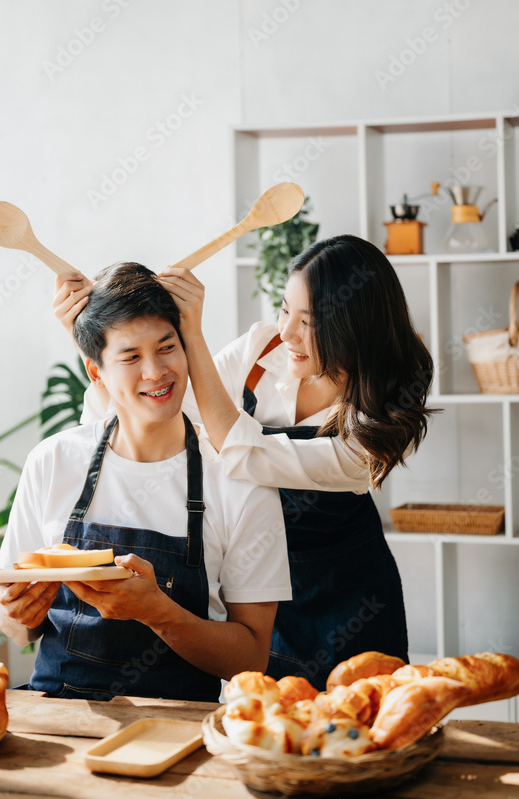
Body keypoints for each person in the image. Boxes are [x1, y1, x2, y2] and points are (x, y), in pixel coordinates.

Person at [53, 235, 434, 690]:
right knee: (266, 732)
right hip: (256, 591)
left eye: (307, 321)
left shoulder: (381, 420)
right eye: (284, 309)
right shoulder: (262, 351)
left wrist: (191, 333)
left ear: (355, 327)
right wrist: (95, 343)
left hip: (347, 596)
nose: (287, 332)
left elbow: (241, 453)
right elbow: (163, 413)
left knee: (363, 726)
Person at [0, 262, 291, 701]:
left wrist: (159, 612)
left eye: (167, 347)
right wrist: (19, 612)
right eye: (131, 357)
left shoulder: (239, 480)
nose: (155, 372)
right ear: (96, 372)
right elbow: (18, 631)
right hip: (58, 717)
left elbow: (250, 659)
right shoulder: (53, 460)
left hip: (179, 733)